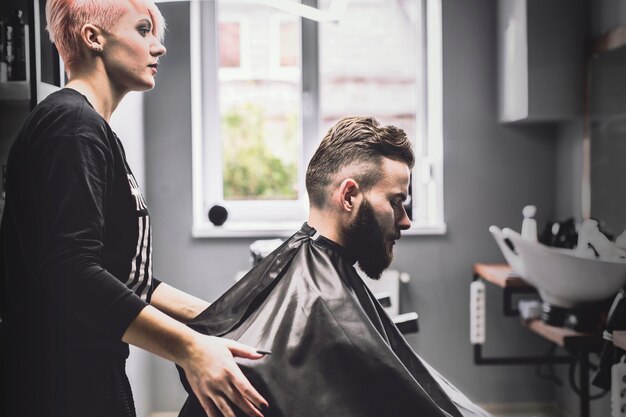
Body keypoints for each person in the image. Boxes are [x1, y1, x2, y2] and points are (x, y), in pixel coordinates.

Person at [0, 1, 268, 417]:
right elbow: (71, 270)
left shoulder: (90, 128)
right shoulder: (72, 128)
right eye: (144, 30)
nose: (159, 47)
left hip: (87, 373)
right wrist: (191, 349)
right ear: (94, 39)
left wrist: (216, 319)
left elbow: (124, 274)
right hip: (61, 386)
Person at [177, 116, 492, 417]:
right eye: (396, 202)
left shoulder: (302, 260)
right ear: (350, 196)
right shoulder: (324, 300)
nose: (405, 221)